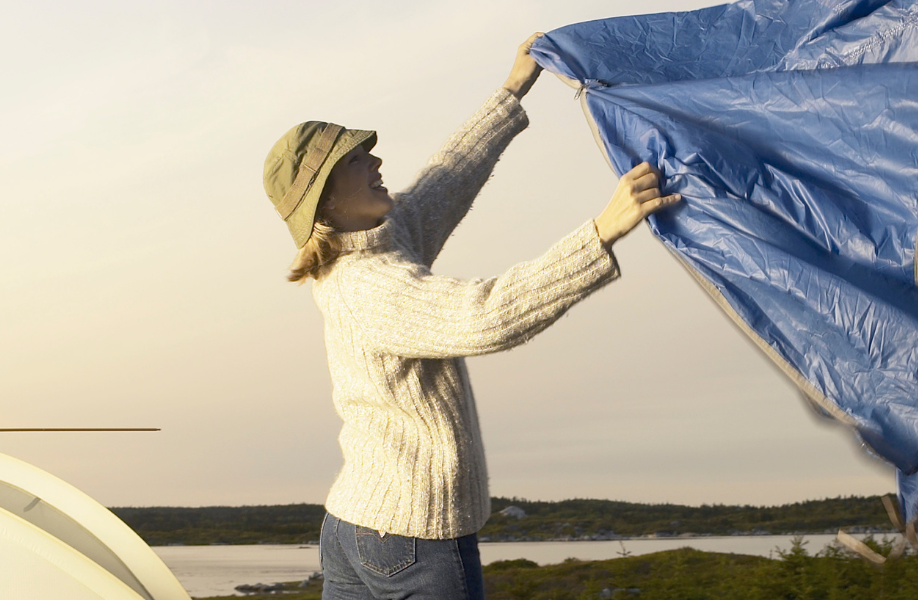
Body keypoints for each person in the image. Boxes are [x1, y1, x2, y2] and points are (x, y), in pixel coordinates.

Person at [260, 33, 680, 600]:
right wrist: (602, 232)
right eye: (359, 160)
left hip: (357, 525)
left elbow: (450, 176)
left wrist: (511, 89)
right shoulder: (367, 284)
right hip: (411, 539)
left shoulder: (377, 243)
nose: (377, 159)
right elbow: (485, 316)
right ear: (328, 201)